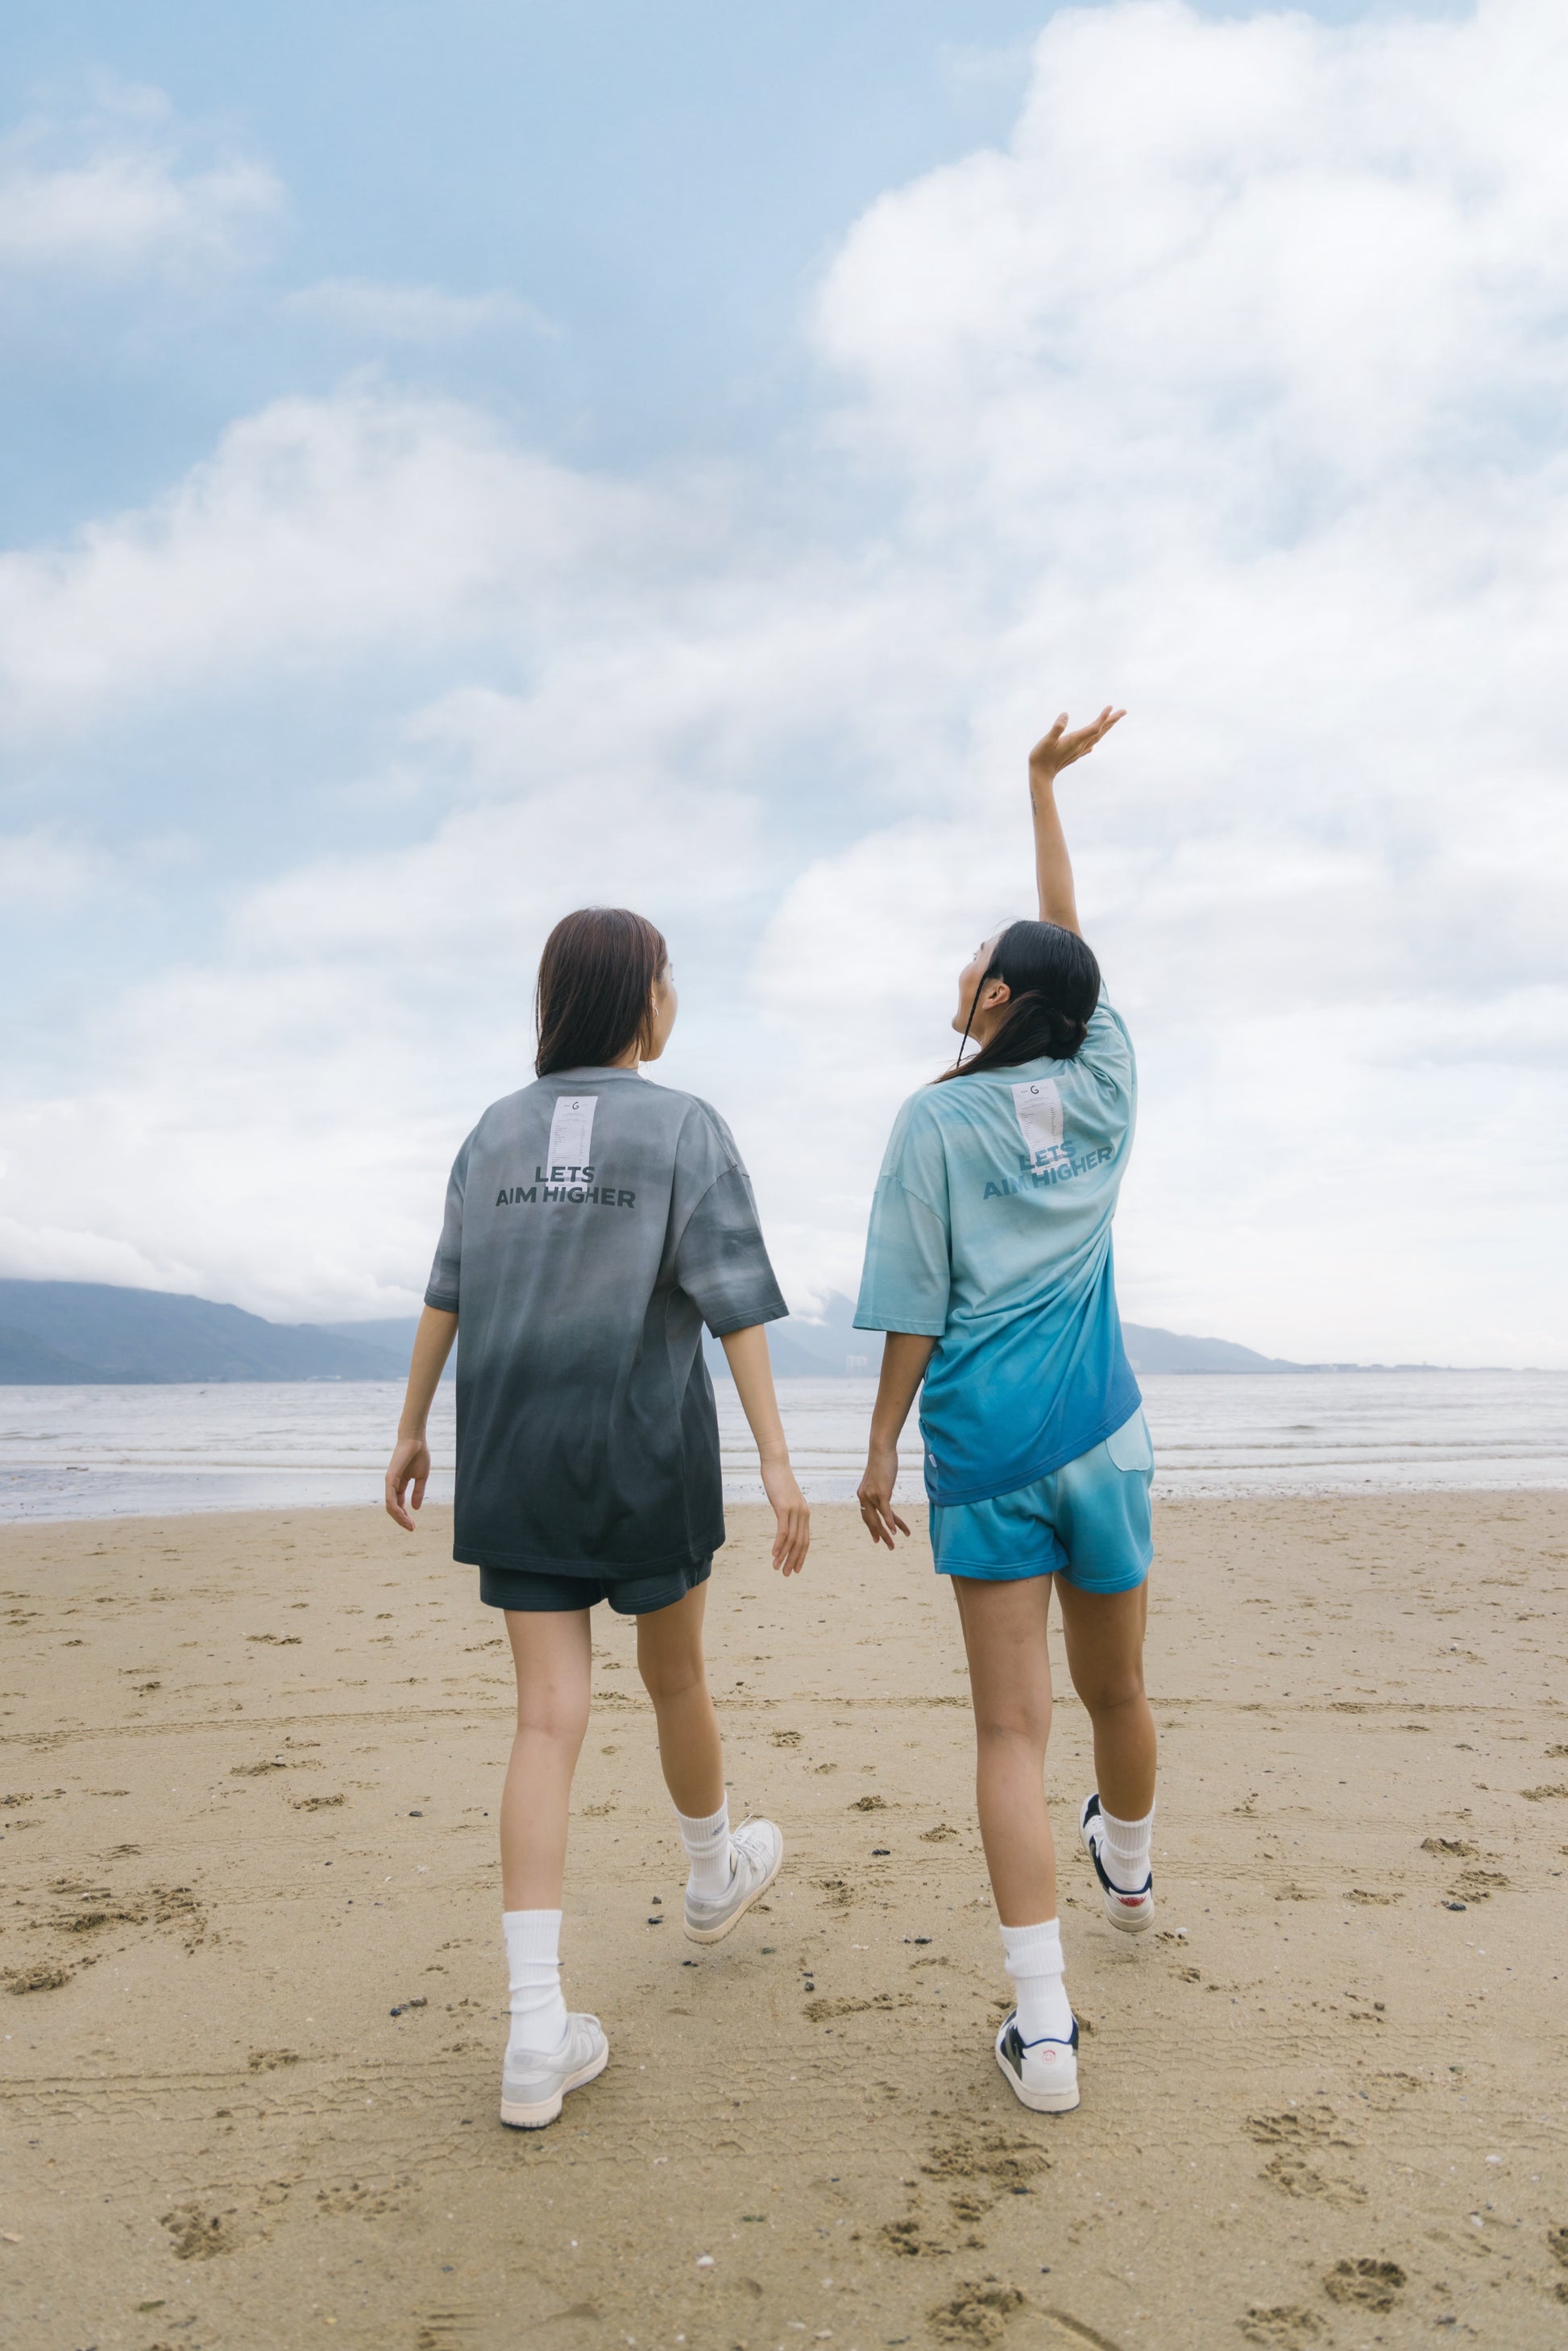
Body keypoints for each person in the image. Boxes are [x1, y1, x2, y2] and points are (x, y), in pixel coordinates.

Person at [384, 906, 810, 2130]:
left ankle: (533, 2034)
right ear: (643, 1000)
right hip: (645, 1455)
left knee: (544, 1719)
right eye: (667, 979)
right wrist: (778, 1462)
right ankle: (711, 1871)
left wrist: (411, 1428)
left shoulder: (492, 1131)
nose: (672, 996)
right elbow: (735, 1305)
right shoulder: (685, 1125)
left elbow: (445, 1292)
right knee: (675, 1678)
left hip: (512, 1455)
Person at [853, 709, 1156, 2117]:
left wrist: (870, 1451)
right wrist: (1038, 790)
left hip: (982, 1454)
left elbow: (915, 1307)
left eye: (976, 956)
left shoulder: (932, 1123)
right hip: (1105, 1434)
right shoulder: (1106, 1085)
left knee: (1009, 1739)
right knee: (1119, 1693)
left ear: (990, 1003)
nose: (964, 960)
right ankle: (1134, 1869)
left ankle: (1044, 2039)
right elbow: (1066, 946)